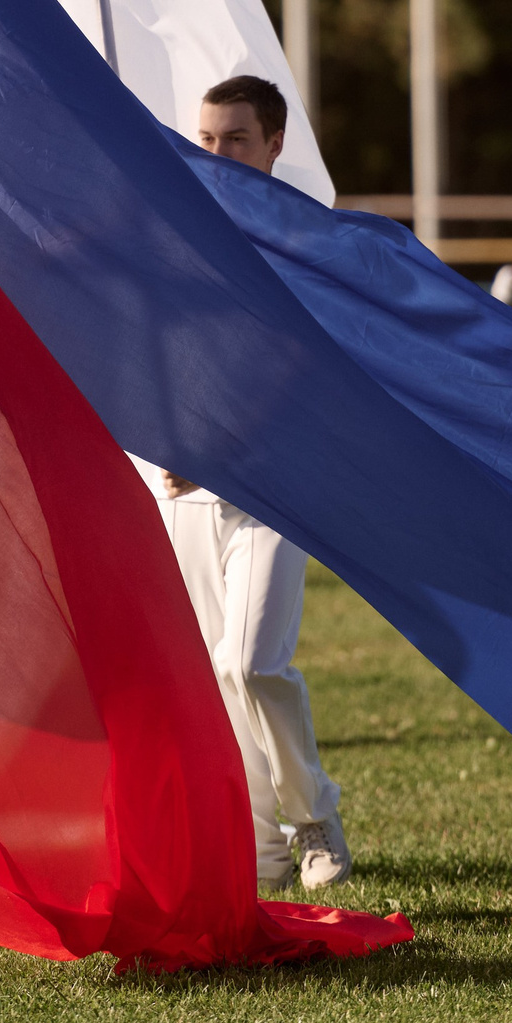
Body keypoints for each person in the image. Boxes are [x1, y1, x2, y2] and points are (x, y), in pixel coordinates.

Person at [139, 74, 350, 892]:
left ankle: (312, 816)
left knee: (252, 662)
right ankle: (260, 855)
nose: (218, 152)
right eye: (206, 137)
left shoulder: (300, 243)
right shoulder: (169, 234)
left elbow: (299, 377)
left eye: (235, 138)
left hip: (271, 486)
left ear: (273, 146)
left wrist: (215, 450)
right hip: (182, 489)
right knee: (218, 679)